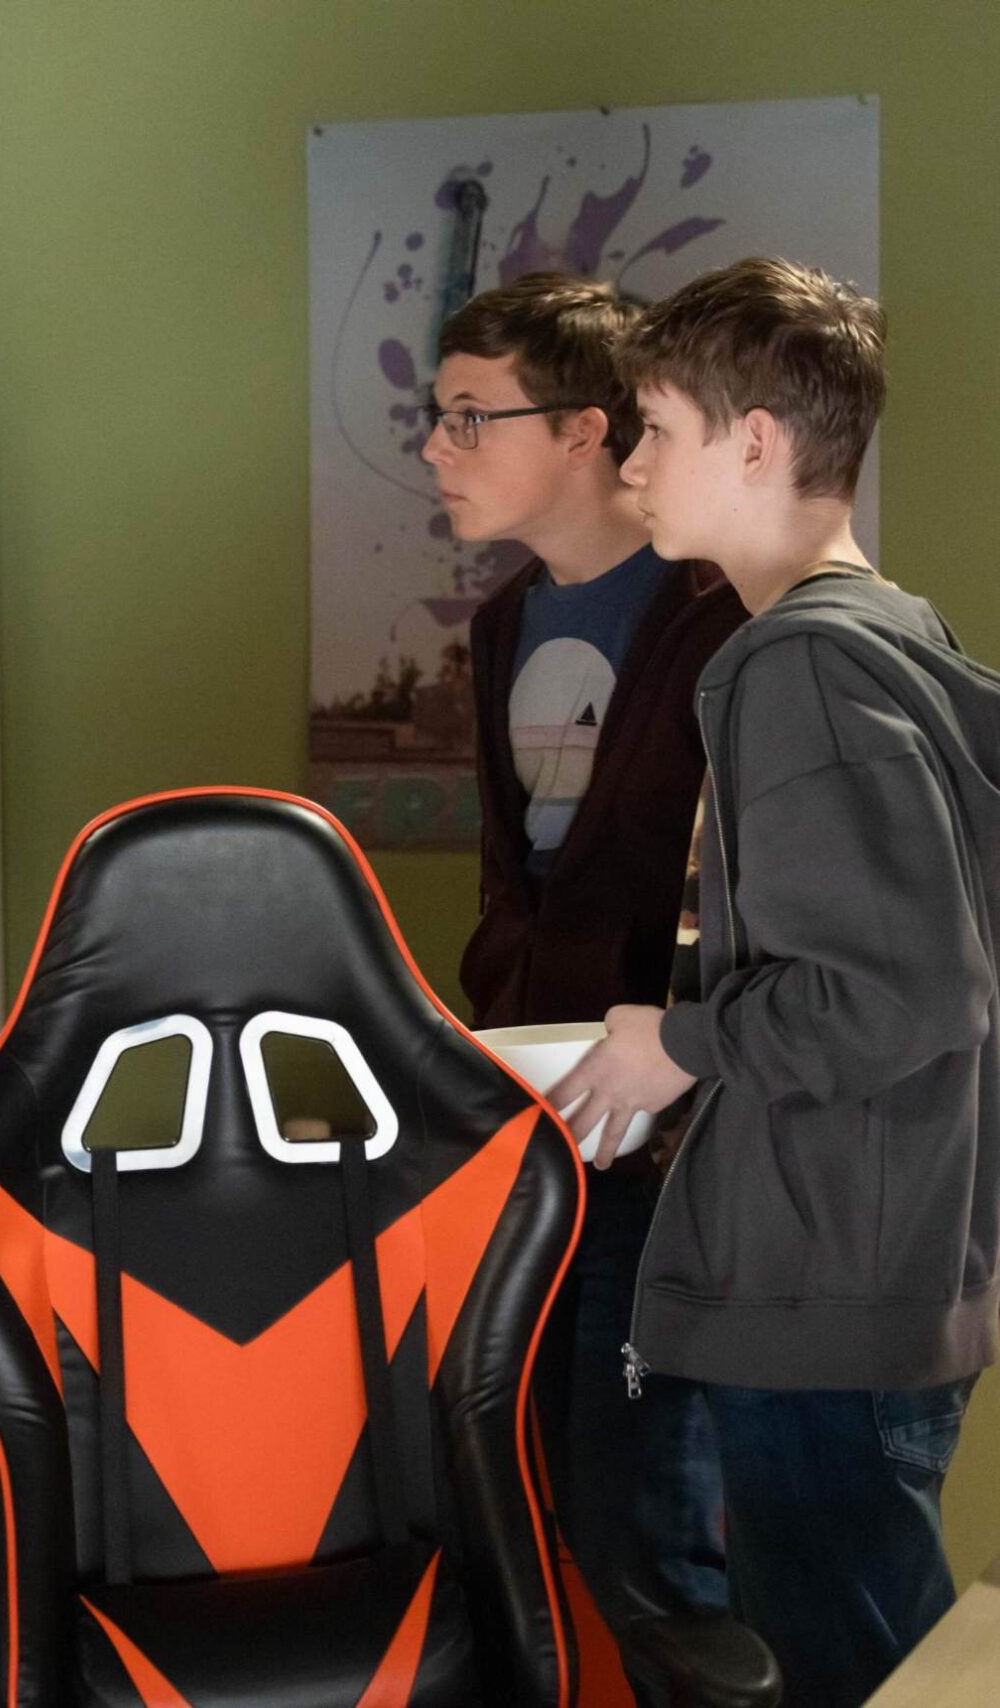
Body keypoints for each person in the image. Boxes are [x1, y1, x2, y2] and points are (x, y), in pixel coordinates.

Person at [555, 256, 998, 1707]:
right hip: (889, 1265)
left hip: (825, 1292)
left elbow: (904, 996)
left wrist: (676, 1043)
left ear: (754, 441)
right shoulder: (900, 638)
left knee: (861, 1678)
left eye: (655, 430)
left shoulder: (796, 668)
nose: (629, 464)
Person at [422, 271, 738, 1690]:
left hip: (676, 1128)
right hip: (532, 1118)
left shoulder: (719, 618)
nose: (438, 448)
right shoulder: (498, 626)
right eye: (437, 417)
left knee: (650, 1516)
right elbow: (523, 888)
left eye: (470, 417)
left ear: (584, 431)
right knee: (529, 1485)